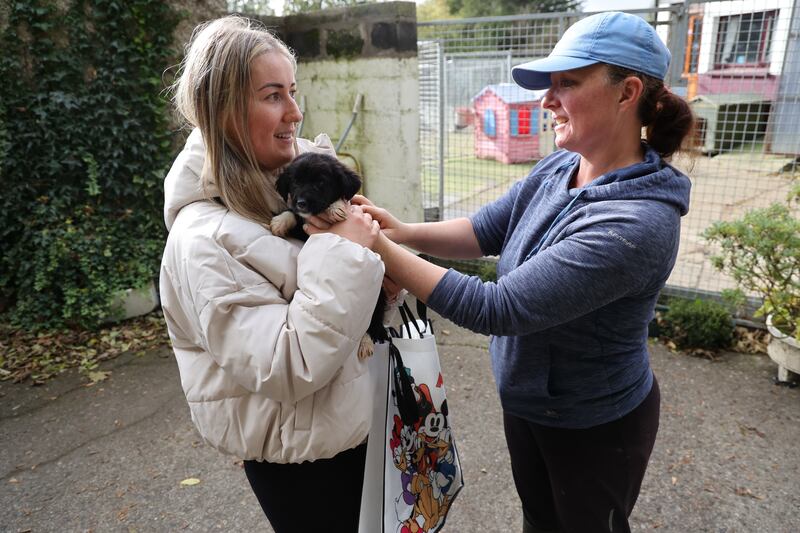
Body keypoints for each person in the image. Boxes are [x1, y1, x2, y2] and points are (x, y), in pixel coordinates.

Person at [308, 11, 694, 533]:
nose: (547, 100)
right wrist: (401, 232)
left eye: (567, 83)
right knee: (538, 520)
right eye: (549, 85)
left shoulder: (638, 223)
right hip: (530, 402)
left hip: (594, 424)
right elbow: (484, 229)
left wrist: (373, 242)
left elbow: (499, 308)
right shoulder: (561, 166)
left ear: (627, 93)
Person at [159, 16, 385, 533]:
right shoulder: (205, 240)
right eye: (273, 95)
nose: (295, 111)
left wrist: (379, 264)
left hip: (347, 425)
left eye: (293, 91)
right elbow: (287, 365)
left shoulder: (283, 183)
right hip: (302, 458)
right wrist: (350, 253)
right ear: (223, 112)